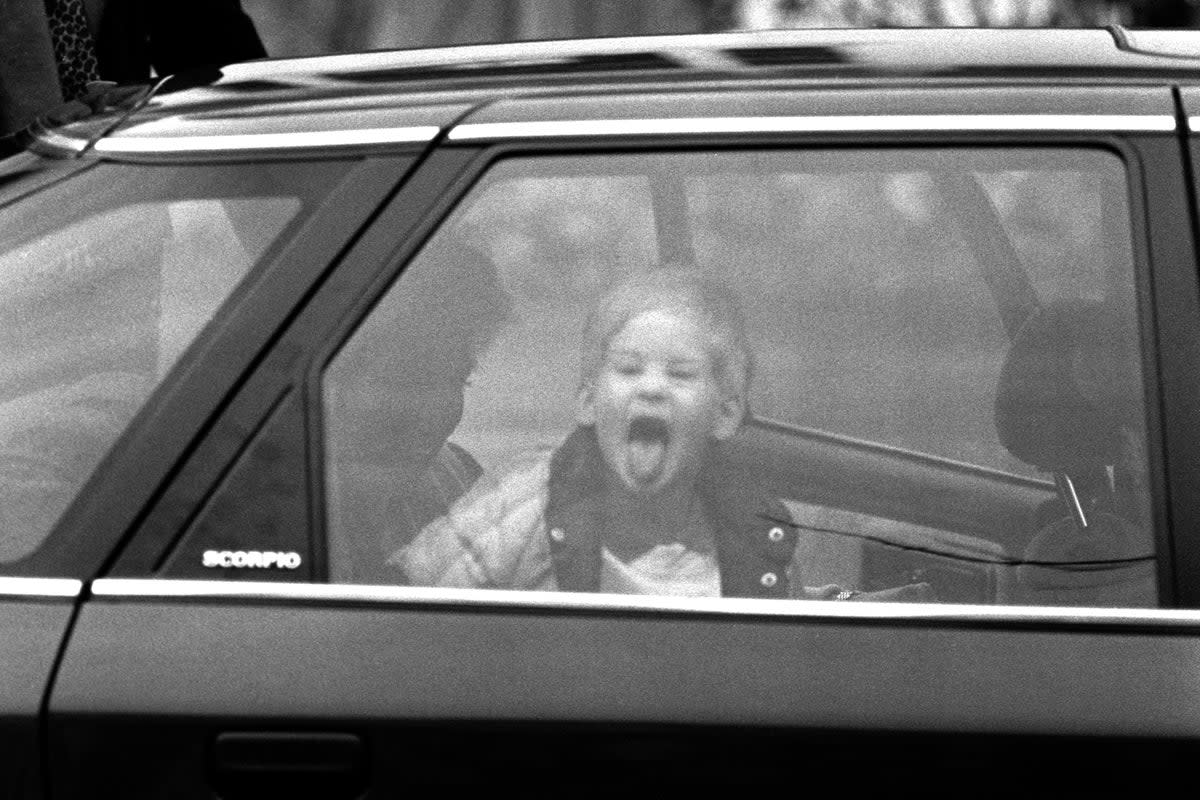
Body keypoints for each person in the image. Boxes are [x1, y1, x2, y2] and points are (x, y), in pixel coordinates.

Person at [392, 268, 932, 601]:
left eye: (680, 374)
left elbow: (771, 662)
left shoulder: (755, 532)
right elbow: (405, 609)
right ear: (586, 401)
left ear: (725, 413)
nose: (652, 388)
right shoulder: (519, 504)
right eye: (628, 369)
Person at [324, 241, 512, 583]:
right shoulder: (274, 514)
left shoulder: (458, 482)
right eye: (409, 378)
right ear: (333, 377)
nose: (436, 416)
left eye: (458, 379)